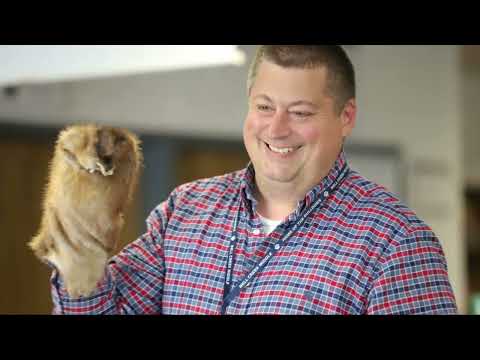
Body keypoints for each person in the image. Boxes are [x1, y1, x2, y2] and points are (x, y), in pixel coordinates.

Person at [50, 45, 458, 314]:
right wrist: (81, 247)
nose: (276, 129)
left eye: (300, 112)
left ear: (345, 117)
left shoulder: (395, 243)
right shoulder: (187, 210)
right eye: (265, 106)